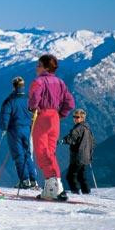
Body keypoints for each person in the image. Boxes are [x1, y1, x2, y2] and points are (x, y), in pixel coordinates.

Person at [28, 54, 75, 200]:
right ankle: (56, 185)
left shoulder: (39, 81)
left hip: (42, 116)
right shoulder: (60, 82)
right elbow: (70, 102)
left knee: (41, 151)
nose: (36, 67)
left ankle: (52, 186)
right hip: (55, 117)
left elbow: (34, 97)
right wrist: (61, 114)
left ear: (45, 67)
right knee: (51, 151)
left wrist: (33, 107)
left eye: (39, 65)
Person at [0, 76, 38, 189]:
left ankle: (24, 180)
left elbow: (5, 116)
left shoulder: (10, 100)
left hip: (14, 130)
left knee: (18, 155)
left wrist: (3, 128)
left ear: (13, 86)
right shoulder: (28, 98)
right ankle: (33, 180)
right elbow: (34, 110)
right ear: (23, 86)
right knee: (27, 154)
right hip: (27, 129)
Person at [61, 109, 95, 194]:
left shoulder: (78, 128)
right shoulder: (87, 128)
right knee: (81, 176)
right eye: (74, 117)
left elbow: (72, 138)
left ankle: (75, 192)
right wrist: (89, 154)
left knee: (70, 176)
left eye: (77, 117)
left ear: (82, 118)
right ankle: (86, 192)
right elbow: (93, 142)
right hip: (85, 157)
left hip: (78, 157)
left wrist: (63, 141)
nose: (75, 119)